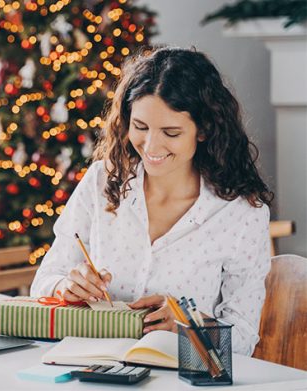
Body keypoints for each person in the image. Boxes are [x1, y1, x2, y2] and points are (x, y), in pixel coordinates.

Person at [30, 46, 274, 356]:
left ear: (204, 130)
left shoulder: (241, 214)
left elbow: (242, 339)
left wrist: (191, 325)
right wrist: (64, 286)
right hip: (89, 367)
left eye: (171, 132)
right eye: (140, 127)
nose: (151, 146)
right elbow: (43, 282)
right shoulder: (102, 181)